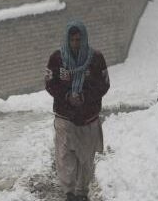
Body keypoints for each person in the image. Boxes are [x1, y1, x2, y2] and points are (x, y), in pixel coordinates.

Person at [45, 20, 110, 201]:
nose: (76, 44)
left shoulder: (96, 59)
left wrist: (84, 97)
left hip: (88, 117)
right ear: (67, 40)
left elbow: (104, 84)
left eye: (79, 40)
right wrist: (67, 96)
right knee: (65, 157)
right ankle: (70, 193)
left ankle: (82, 192)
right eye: (72, 40)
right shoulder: (57, 59)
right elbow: (50, 84)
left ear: (85, 39)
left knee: (86, 159)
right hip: (65, 117)